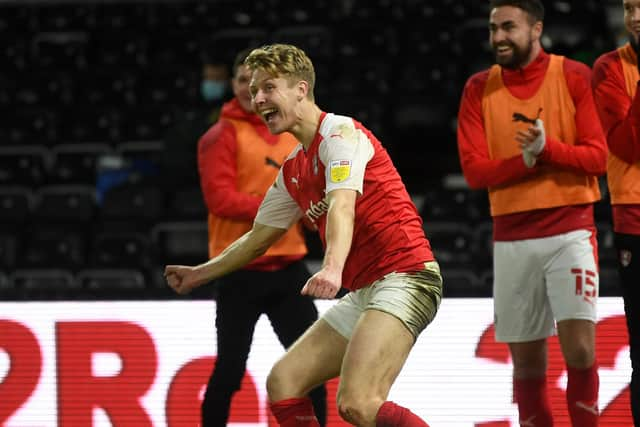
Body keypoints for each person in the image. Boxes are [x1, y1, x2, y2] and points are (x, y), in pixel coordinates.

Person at [166, 43, 443, 427]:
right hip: (368, 288)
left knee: (358, 404)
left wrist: (332, 268)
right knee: (284, 382)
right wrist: (201, 273)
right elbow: (257, 239)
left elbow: (343, 205)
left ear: (301, 88)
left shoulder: (340, 134)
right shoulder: (294, 169)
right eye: (253, 90)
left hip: (407, 275)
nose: (257, 98)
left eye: (268, 88)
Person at [456, 1, 607, 425]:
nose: (499, 37)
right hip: (511, 238)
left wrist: (548, 150)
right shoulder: (477, 88)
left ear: (536, 28)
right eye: (492, 28)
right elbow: (473, 170)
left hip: (571, 231)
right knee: (526, 367)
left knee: (580, 353)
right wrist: (525, 162)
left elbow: (599, 157)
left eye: (508, 27)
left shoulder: (575, 75)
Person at [195, 48, 327, 426]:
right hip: (238, 269)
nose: (250, 91)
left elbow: (309, 200)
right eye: (242, 82)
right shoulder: (220, 135)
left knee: (312, 369)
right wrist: (284, 207)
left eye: (259, 84)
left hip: (288, 269)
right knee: (230, 372)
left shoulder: (291, 133)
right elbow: (220, 200)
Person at [592, 1, 640, 424]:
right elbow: (628, 145)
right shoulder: (609, 68)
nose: (637, 17)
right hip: (635, 219)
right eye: (630, 7)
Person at [160, 52, 231, 191]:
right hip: (183, 175)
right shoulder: (189, 105)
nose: (211, 84)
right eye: (208, 78)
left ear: (228, 83)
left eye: (217, 79)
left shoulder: (231, 108)